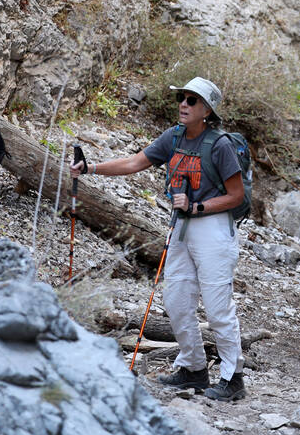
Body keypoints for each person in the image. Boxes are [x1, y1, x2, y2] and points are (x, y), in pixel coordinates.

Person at [69, 76, 247, 402]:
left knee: (218, 307)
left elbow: (236, 195)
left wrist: (199, 205)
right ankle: (193, 368)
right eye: (181, 97)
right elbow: (135, 162)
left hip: (213, 230)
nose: (183, 104)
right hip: (181, 228)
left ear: (207, 109)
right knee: (177, 301)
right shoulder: (174, 137)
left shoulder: (219, 145)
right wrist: (90, 167)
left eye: (191, 100)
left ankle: (233, 378)